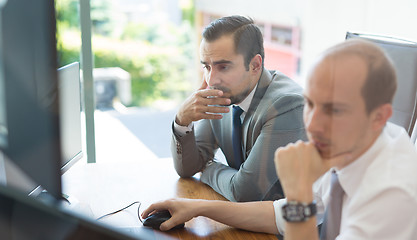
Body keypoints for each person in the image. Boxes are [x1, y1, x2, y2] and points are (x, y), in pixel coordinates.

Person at [143, 38, 417, 239]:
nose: (314, 124)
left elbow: (294, 210)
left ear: (380, 117)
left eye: (335, 110)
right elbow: (279, 215)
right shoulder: (352, 147)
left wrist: (298, 193)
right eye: (311, 104)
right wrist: (197, 207)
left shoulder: (392, 194)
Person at [171, 15, 306, 202]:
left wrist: (208, 168)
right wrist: (181, 121)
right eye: (207, 67)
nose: (211, 80)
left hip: (288, 228)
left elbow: (244, 192)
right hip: (245, 221)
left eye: (223, 67)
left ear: (255, 65)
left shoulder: (287, 105)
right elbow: (188, 168)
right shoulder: (221, 94)